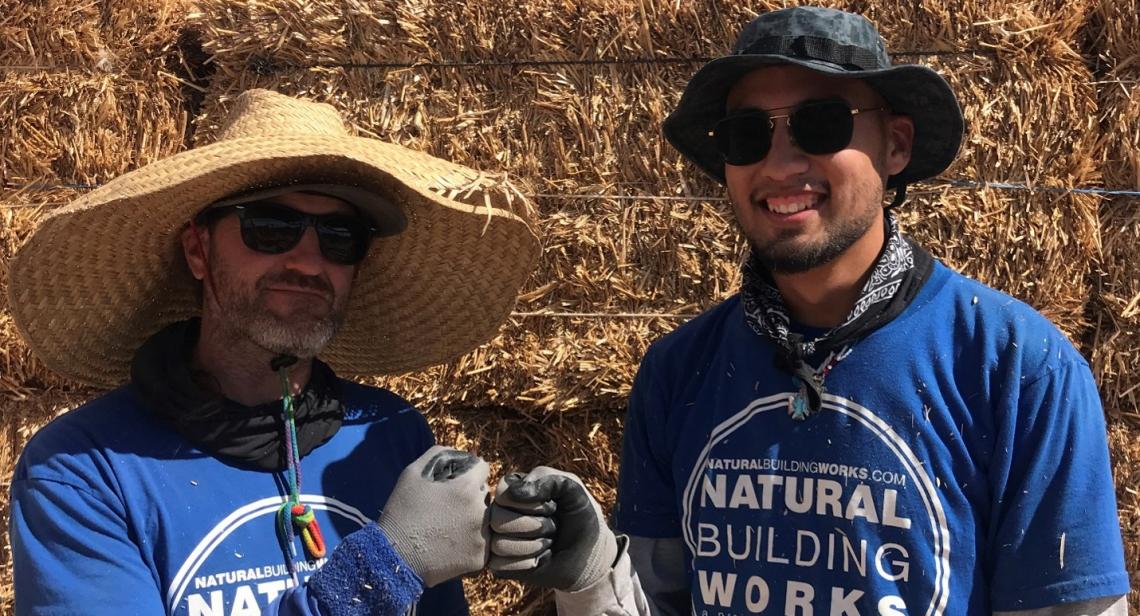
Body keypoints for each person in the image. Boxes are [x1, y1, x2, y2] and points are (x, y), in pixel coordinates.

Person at [486, 6, 1131, 615]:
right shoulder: (679, 370)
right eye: (746, 136)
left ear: (896, 146)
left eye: (822, 123)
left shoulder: (1016, 367)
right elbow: (659, 599)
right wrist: (590, 569)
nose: (781, 162)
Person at [7, 88, 539, 615]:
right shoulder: (85, 470)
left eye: (340, 236)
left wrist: (580, 578)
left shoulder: (391, 434)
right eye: (271, 227)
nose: (308, 262)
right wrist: (381, 572)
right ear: (198, 249)